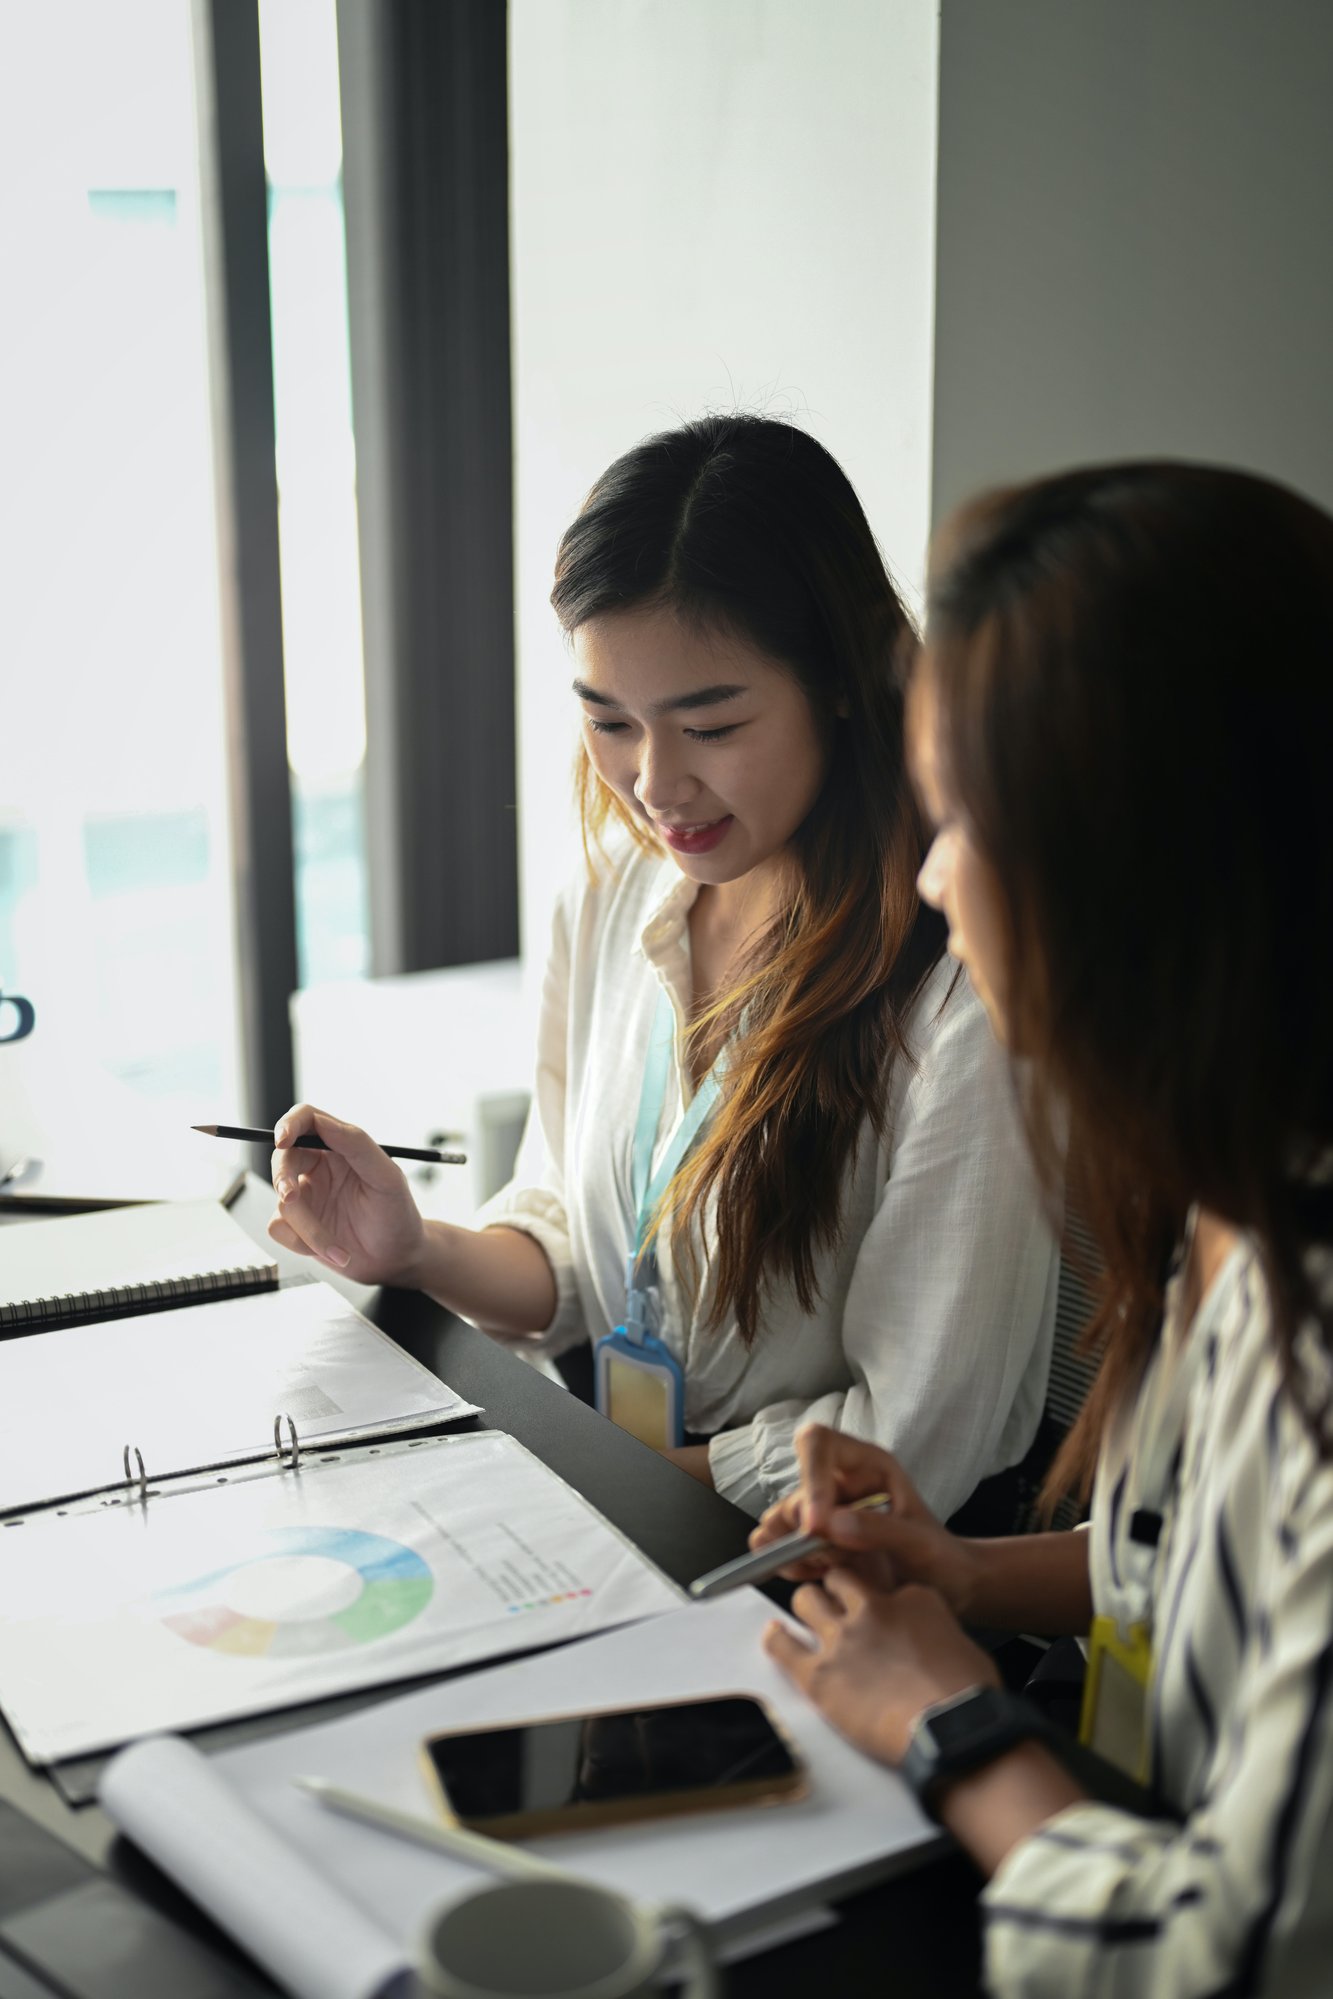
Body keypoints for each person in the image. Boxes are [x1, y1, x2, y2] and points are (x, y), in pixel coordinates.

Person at [753, 461, 1333, 1993]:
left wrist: (952, 1725)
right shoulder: (1226, 1182)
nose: (933, 878)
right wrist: (954, 1572)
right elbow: (1207, 1563)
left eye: (961, 825)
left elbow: (1248, 1949)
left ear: (1126, 877)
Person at [269, 414, 1057, 1520]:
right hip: (630, 1504)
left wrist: (588, 1489)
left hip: (826, 1571)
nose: (654, 784)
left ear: (838, 680)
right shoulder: (614, 892)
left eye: (712, 724)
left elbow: (913, 1438)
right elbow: (576, 1250)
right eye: (609, 721)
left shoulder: (958, 976)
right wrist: (418, 1246)